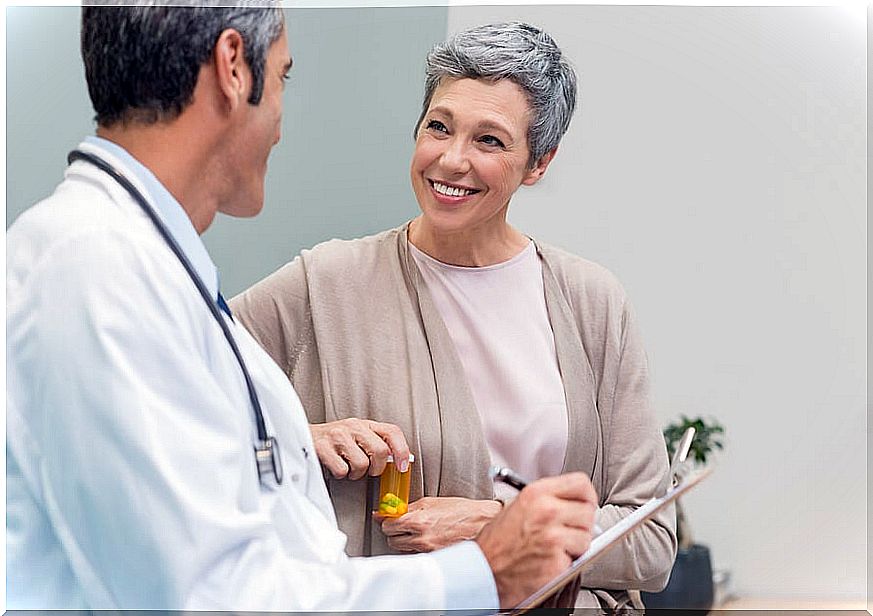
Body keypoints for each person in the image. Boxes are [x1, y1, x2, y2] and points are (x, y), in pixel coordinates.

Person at [6, 6, 600, 611]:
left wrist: (294, 438)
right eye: (283, 76)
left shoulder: (140, 265)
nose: (282, 124)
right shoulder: (95, 268)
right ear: (233, 68)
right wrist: (481, 572)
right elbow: (213, 595)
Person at [231, 21, 677, 610]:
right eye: (438, 127)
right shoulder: (324, 283)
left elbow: (649, 542)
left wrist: (493, 525)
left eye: (490, 141)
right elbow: (171, 399)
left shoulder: (592, 302)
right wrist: (300, 435)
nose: (451, 159)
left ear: (538, 162)